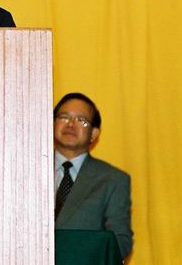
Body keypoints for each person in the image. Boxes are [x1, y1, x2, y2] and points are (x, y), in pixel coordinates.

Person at [53, 92, 133, 260]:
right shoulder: (27, 173)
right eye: (64, 117)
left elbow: (120, 243)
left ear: (94, 134)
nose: (70, 124)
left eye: (81, 120)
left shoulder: (113, 180)